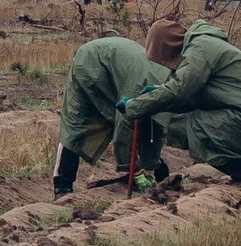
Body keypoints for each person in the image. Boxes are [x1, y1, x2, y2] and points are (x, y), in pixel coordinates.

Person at [122, 18, 241, 186]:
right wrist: (156, 95)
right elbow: (189, 97)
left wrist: (134, 106)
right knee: (200, 122)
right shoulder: (203, 45)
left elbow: (179, 91)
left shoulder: (200, 49)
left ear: (167, 48)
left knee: (184, 127)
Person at [53, 31, 173, 196]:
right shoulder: (142, 86)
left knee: (148, 122)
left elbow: (156, 129)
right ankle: (62, 186)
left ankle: (155, 171)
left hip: (118, 67)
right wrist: (135, 171)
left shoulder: (169, 88)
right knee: (76, 123)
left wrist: (151, 168)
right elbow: (124, 124)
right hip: (91, 62)